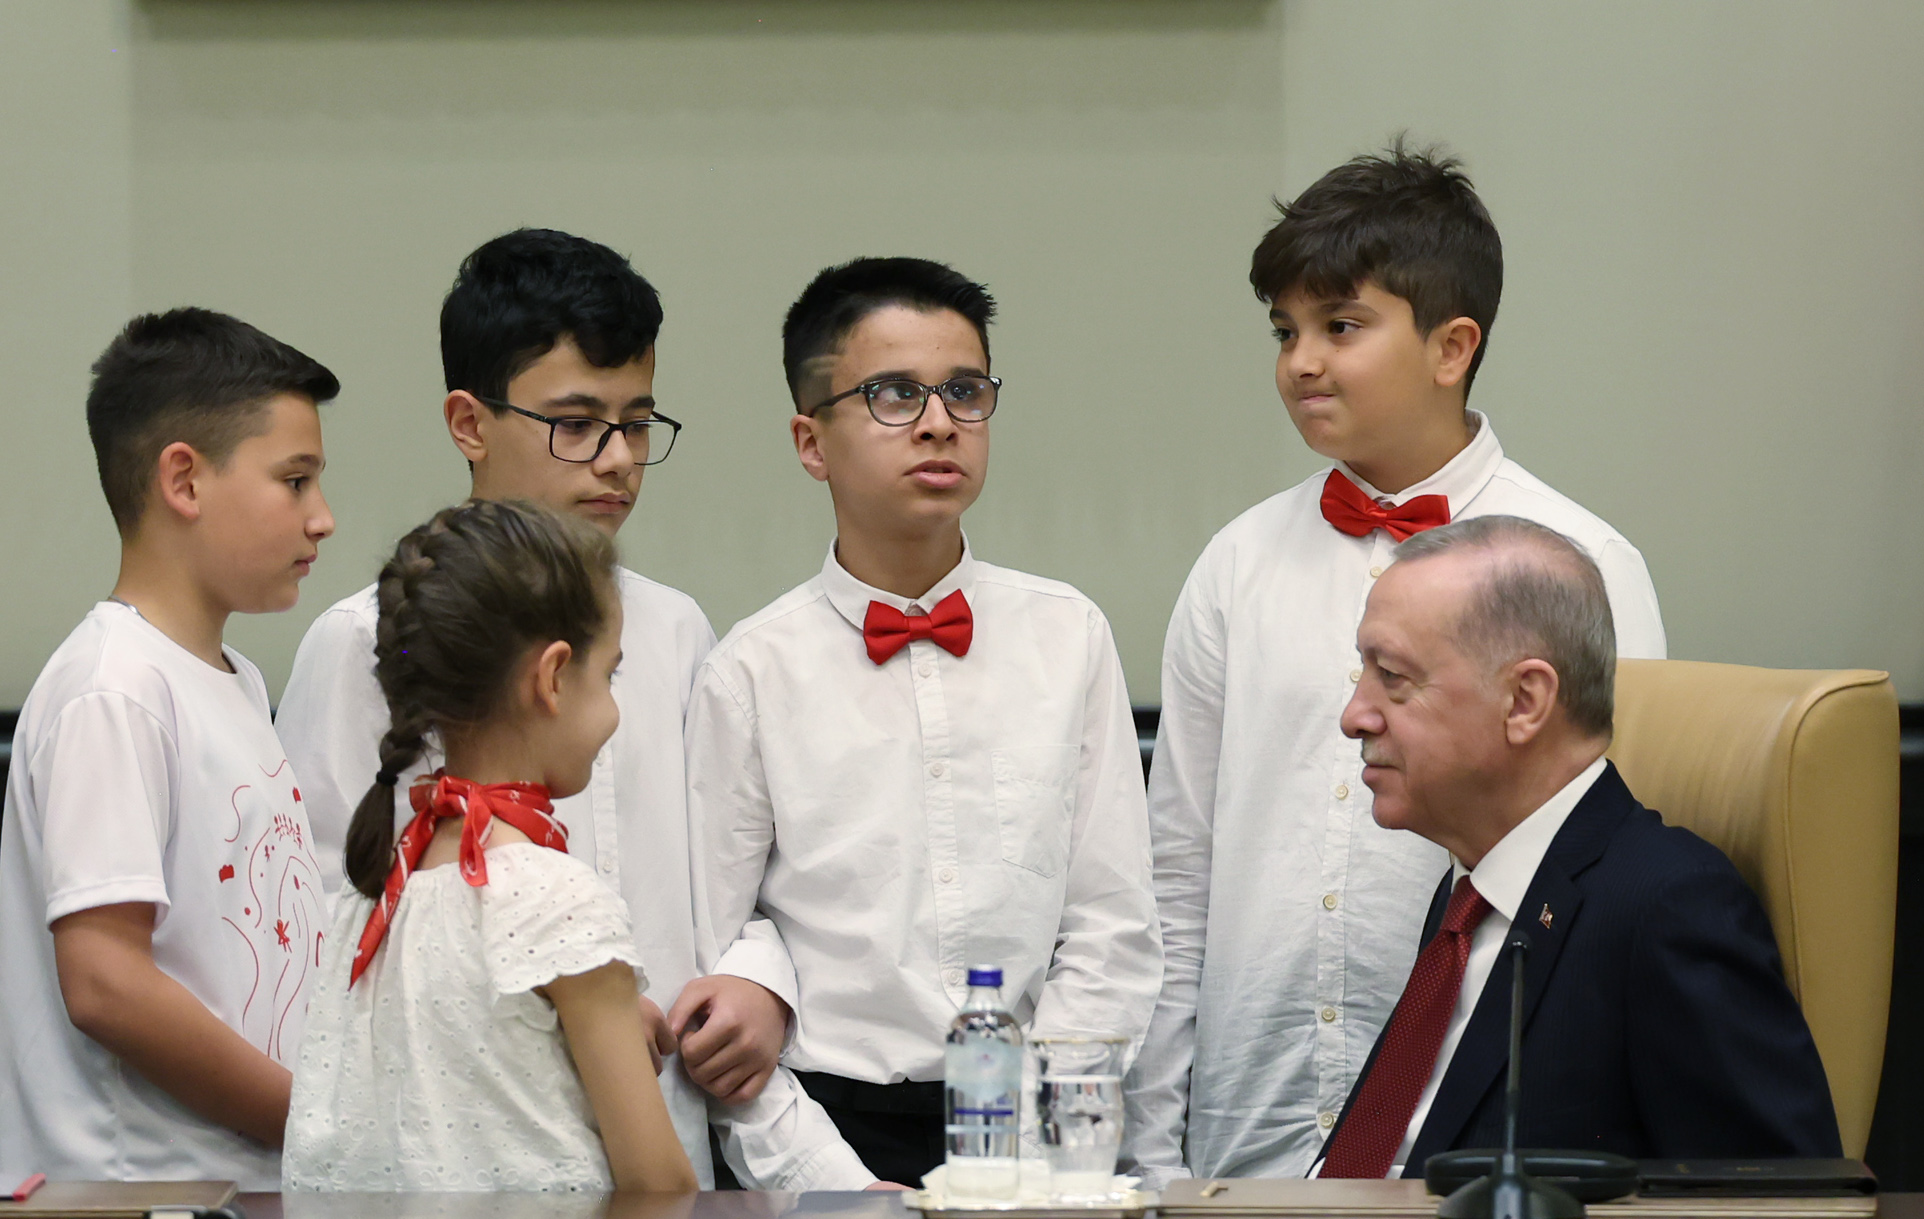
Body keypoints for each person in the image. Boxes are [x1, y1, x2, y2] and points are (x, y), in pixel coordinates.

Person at [1122, 141, 1669, 1185]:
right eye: (1284, 330)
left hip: (1483, 1134)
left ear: (1451, 346)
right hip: (1247, 1127)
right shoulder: (1238, 562)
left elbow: (1611, 873)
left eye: (1340, 326)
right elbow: (1180, 872)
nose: (1300, 361)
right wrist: (1151, 1152)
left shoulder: (1584, 564)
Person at [274, 229, 807, 1186]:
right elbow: (323, 925)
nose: (617, 459)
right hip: (458, 1158)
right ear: (469, 422)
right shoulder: (365, 640)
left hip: (662, 1140)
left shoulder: (678, 629)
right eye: (576, 423)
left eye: (637, 423)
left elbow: (743, 874)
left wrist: (757, 983)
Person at [687, 256, 1163, 1188]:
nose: (940, 421)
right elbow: (717, 947)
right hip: (829, 1131)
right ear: (811, 441)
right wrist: (828, 1184)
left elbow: (1112, 922)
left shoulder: (1068, 634)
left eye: (965, 391)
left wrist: (1034, 1148)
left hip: (1036, 1131)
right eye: (895, 393)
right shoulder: (749, 671)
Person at [1310, 515, 1839, 1175]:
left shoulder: (1670, 909)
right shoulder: (1470, 894)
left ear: (1524, 701)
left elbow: (1784, 1197)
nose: (1354, 715)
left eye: (1391, 676)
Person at [0, 309, 338, 1189]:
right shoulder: (114, 690)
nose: (323, 519)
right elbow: (106, 983)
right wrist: (319, 1119)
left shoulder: (234, 679)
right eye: (295, 480)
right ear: (184, 479)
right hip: (145, 1190)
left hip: (246, 1178)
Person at [283, 500, 698, 1192]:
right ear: (554, 677)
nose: (612, 708)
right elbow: (660, 1186)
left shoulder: (374, 899)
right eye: (609, 674)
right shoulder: (560, 903)